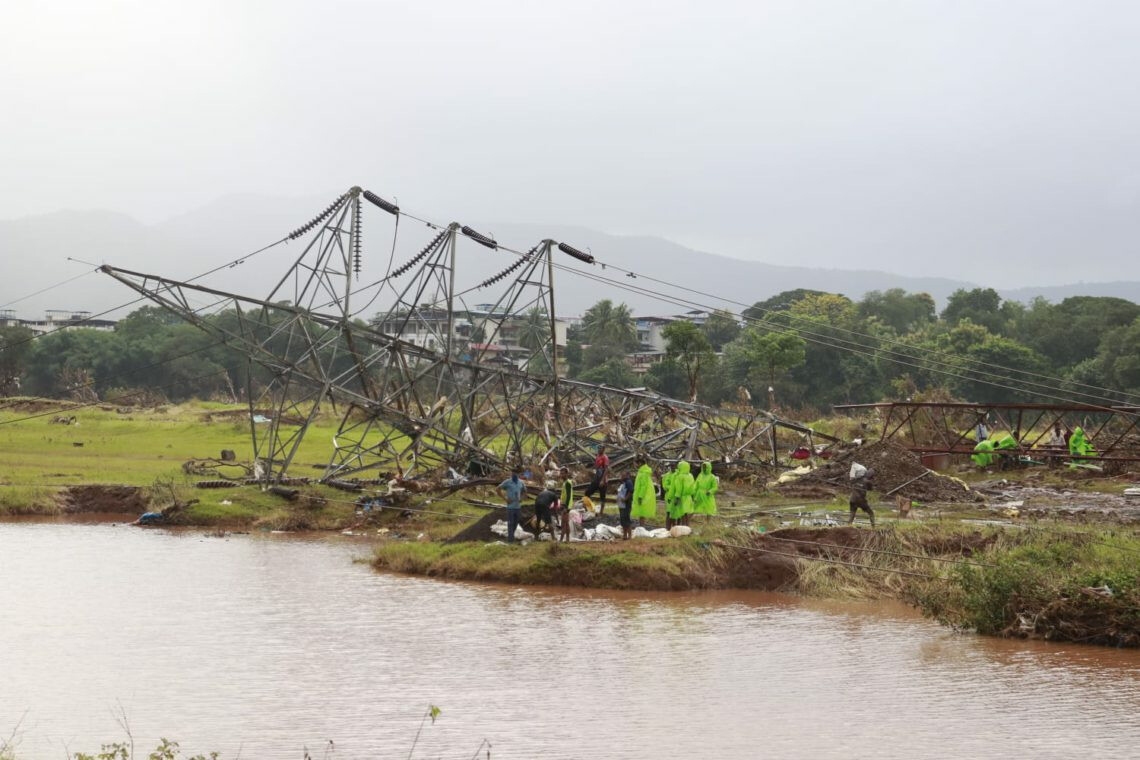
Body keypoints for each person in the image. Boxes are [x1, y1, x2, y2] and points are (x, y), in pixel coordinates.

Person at [497, 467, 526, 544]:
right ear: (511, 473)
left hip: (518, 507)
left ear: (518, 474)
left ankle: (511, 536)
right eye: (512, 473)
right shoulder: (507, 482)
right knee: (510, 523)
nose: (514, 474)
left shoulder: (521, 482)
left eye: (516, 473)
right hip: (510, 507)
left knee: (516, 523)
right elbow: (498, 489)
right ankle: (510, 541)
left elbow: (525, 491)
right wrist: (505, 499)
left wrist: (522, 498)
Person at [582, 445, 610, 515]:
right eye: (598, 448)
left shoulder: (605, 457)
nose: (599, 450)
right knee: (587, 493)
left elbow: (606, 469)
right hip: (596, 478)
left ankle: (601, 512)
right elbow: (597, 467)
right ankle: (587, 508)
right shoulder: (598, 456)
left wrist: (602, 480)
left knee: (602, 496)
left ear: (604, 449)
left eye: (600, 448)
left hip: (602, 480)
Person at [668, 461, 696, 526]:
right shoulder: (690, 476)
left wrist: (676, 498)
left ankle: (683, 527)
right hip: (688, 497)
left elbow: (678, 488)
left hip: (681, 497)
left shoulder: (679, 476)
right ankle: (687, 527)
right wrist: (693, 496)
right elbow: (693, 487)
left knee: (682, 514)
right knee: (687, 513)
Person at [630, 459, 656, 527]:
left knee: (641, 512)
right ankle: (641, 526)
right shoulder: (643, 471)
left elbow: (643, 486)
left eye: (636, 463)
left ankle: (642, 527)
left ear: (640, 463)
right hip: (643, 494)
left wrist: (640, 496)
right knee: (641, 512)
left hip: (642, 495)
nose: (635, 465)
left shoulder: (643, 473)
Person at [615, 468, 635, 540]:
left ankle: (629, 535)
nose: (622, 476)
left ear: (627, 475)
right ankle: (624, 535)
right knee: (622, 519)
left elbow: (631, 491)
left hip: (626, 504)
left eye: (623, 475)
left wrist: (626, 498)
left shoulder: (628, 482)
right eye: (621, 475)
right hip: (621, 504)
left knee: (626, 519)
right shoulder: (623, 483)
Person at [558, 466, 574, 542]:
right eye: (560, 474)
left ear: (567, 474)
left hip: (566, 506)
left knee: (563, 523)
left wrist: (566, 507)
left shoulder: (567, 483)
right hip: (565, 505)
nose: (561, 475)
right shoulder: (565, 483)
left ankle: (561, 540)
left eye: (563, 474)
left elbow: (568, 496)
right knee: (566, 523)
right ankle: (567, 539)